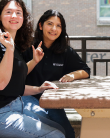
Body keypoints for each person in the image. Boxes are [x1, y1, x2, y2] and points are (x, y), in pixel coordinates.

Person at [0, 0, 65, 137]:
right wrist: (9, 49)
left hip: (13, 109)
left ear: (23, 18)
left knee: (59, 129)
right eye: (9, 12)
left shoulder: (10, 43)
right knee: (55, 135)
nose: (14, 16)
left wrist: (35, 66)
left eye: (18, 12)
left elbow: (13, 79)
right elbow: (0, 83)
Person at [22, 9, 90, 138]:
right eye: (50, 24)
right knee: (49, 128)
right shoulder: (28, 47)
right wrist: (33, 61)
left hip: (52, 102)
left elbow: (86, 71)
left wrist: (72, 75)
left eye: (58, 26)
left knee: (68, 133)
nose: (54, 29)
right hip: (28, 98)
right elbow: (17, 75)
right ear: (41, 26)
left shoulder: (64, 51)